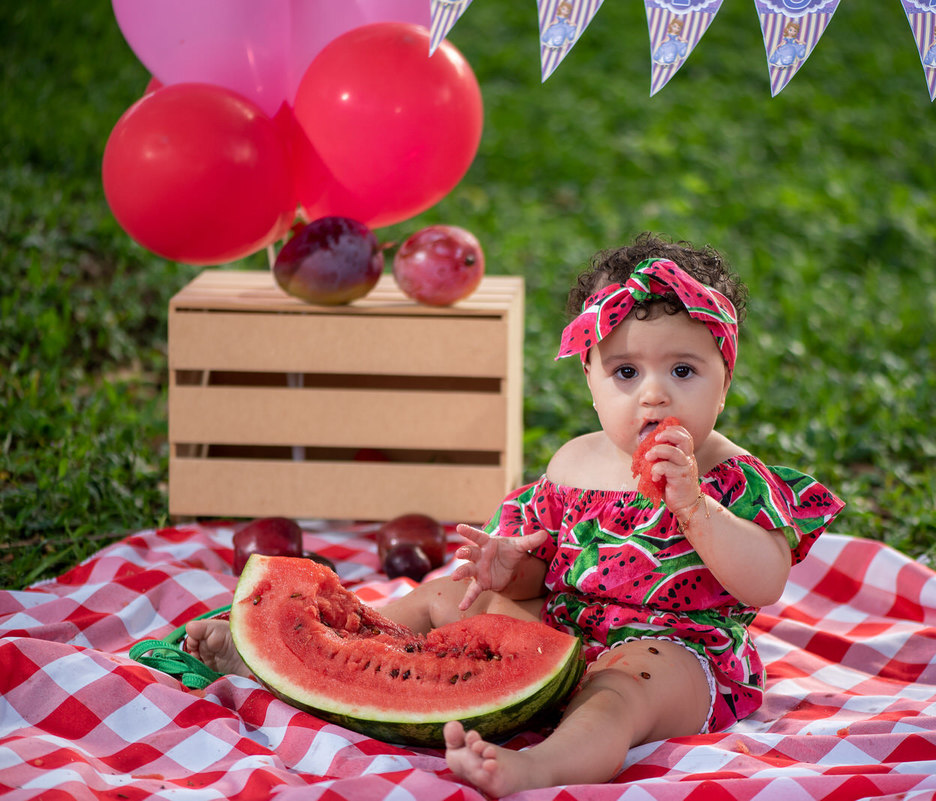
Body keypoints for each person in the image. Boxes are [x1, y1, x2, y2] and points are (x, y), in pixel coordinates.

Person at [185, 233, 844, 796]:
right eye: (624, 372)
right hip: (561, 628)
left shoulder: (731, 478)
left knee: (622, 691)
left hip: (676, 652)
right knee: (444, 595)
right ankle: (311, 657)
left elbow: (764, 580)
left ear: (723, 381)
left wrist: (695, 509)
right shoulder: (572, 466)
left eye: (682, 369)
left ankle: (534, 767)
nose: (654, 392)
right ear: (588, 379)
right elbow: (540, 575)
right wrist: (511, 568)